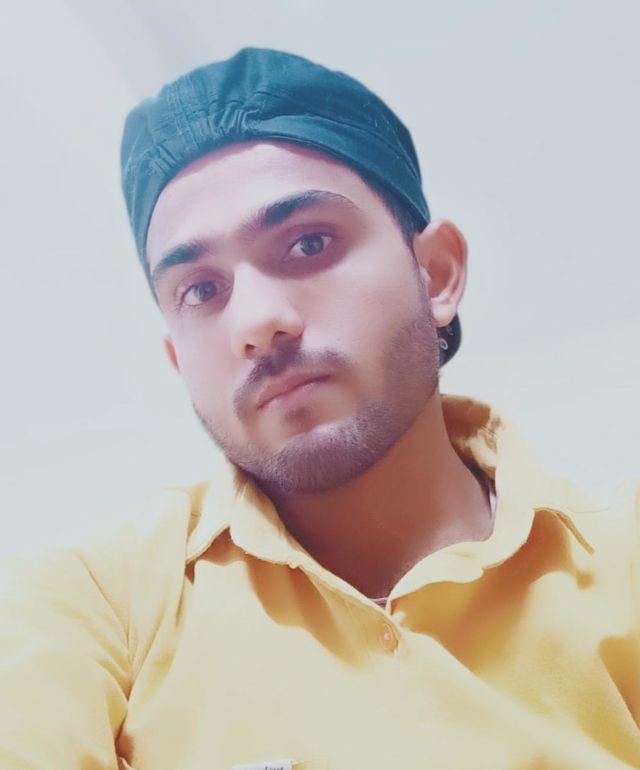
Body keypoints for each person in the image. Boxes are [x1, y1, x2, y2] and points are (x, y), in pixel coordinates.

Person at [1, 47, 639, 770]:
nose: (257, 321)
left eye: (308, 243)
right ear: (180, 361)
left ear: (435, 274)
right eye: (201, 290)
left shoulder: (625, 566)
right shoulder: (94, 610)